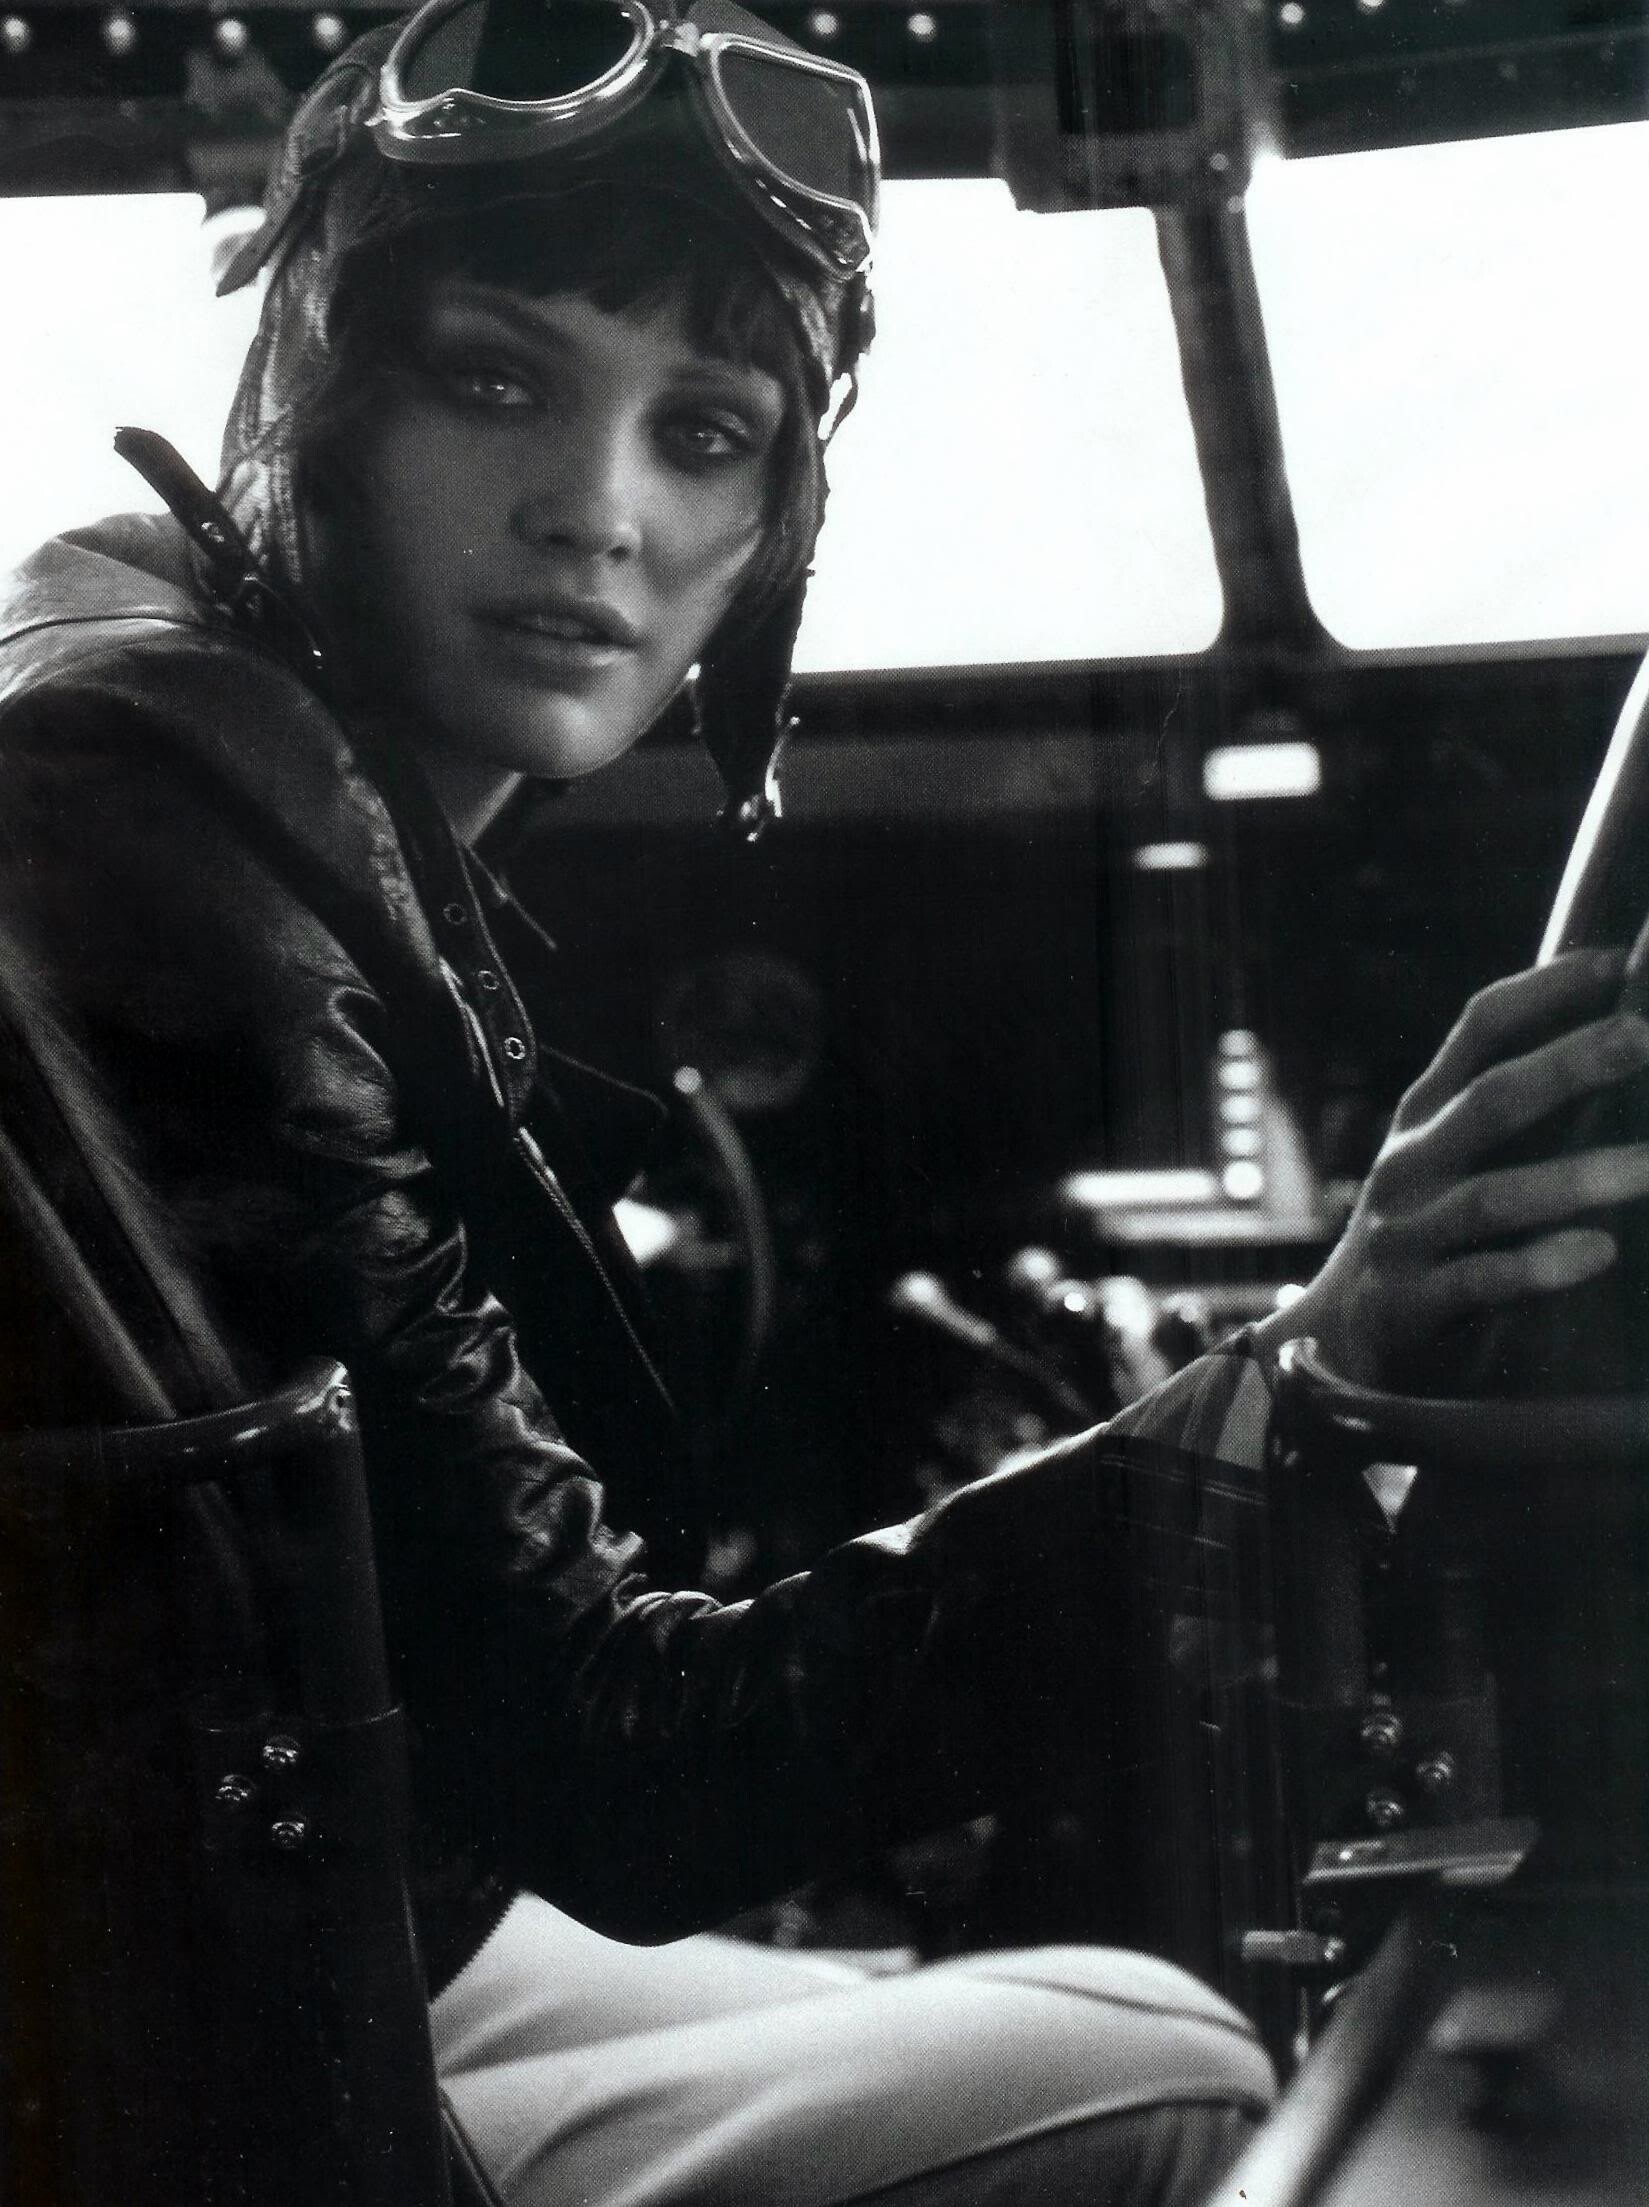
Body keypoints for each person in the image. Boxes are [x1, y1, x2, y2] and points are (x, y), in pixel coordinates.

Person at [2, 3, 1647, 2201]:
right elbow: (626, 1771)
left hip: (330, 1903)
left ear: (778, 520)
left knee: (1070, 2008)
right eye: (492, 380)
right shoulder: (166, 822)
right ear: (314, 390)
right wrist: (1287, 1383)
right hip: (172, 2037)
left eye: (706, 433)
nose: (596, 514)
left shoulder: (149, 693)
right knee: (1184, 2074)